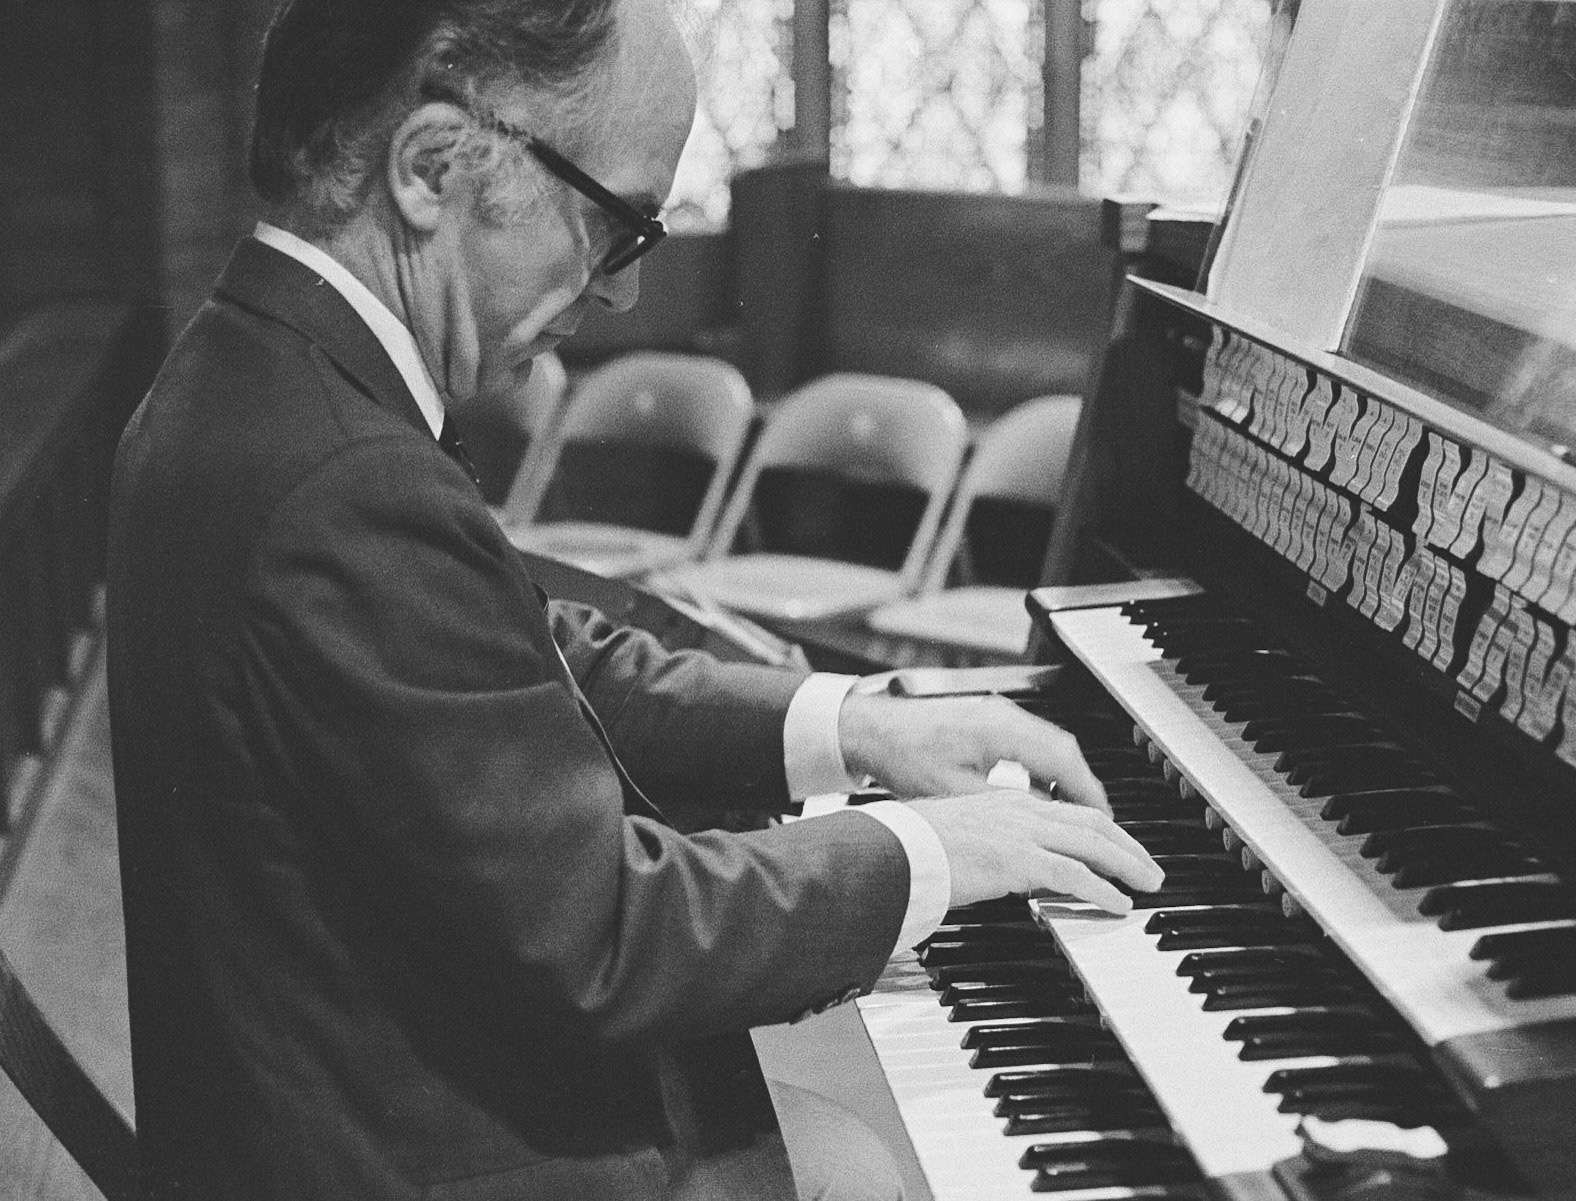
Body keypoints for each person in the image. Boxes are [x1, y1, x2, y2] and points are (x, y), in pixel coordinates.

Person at [104, 1, 1163, 1198]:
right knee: (899, 1170)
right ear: (430, 167)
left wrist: (854, 726)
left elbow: (514, 653)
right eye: (616, 224)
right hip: (393, 1153)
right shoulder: (337, 470)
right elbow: (600, 935)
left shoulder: (255, 375)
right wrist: (926, 849)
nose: (620, 291)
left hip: (339, 1088)